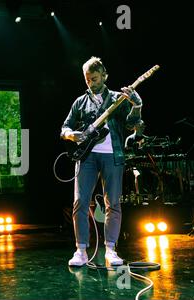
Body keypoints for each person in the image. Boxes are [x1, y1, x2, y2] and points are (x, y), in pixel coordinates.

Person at [61, 57, 143, 266]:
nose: (91, 83)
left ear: (104, 76)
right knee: (80, 203)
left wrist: (136, 104)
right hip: (86, 157)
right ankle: (80, 251)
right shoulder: (80, 102)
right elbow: (64, 128)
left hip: (112, 155)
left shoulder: (118, 99)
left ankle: (111, 249)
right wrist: (72, 135)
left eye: (94, 78)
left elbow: (133, 124)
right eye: (87, 79)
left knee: (112, 203)